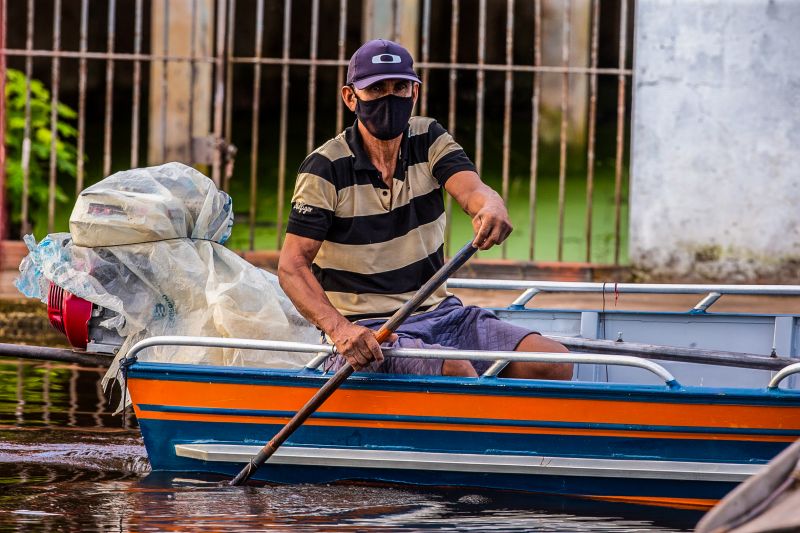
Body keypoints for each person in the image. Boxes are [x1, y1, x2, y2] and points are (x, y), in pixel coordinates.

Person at [278, 39, 572, 379]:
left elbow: (473, 190)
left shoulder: (429, 137)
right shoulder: (325, 168)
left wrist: (490, 206)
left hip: (443, 314)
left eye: (399, 87)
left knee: (553, 361)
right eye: (376, 89)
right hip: (371, 331)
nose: (390, 98)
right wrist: (341, 330)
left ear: (414, 92)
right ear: (350, 97)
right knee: (456, 372)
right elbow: (291, 265)